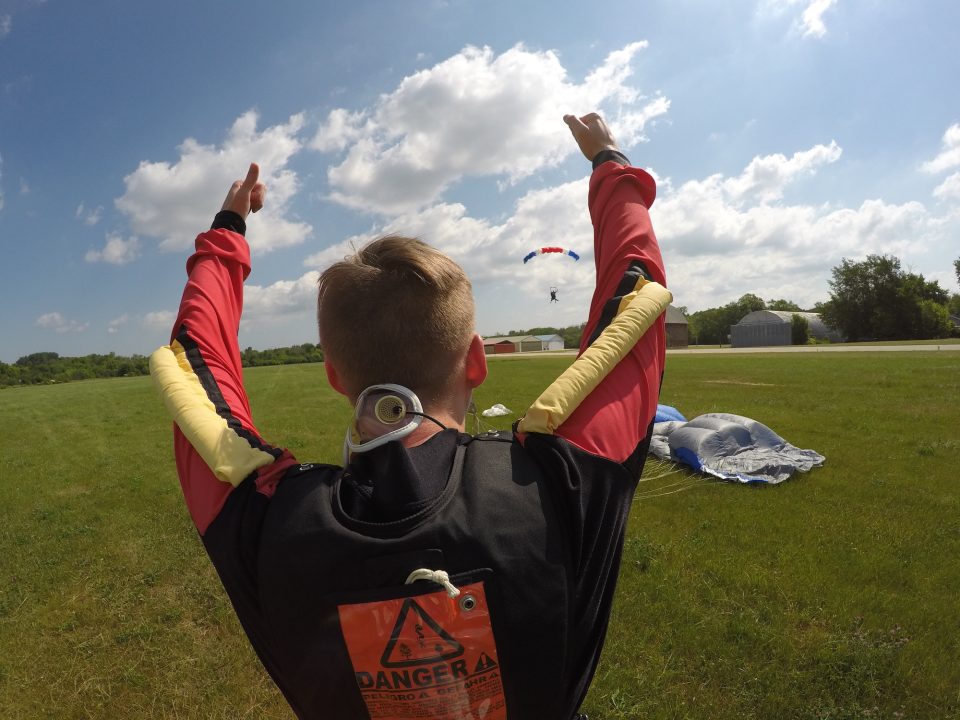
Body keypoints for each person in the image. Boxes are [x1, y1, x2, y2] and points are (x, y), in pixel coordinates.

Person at [149, 112, 670, 720]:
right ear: (476, 360)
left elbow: (193, 365)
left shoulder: (254, 512)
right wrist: (609, 162)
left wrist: (229, 229)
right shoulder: (561, 477)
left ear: (334, 374)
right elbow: (637, 299)